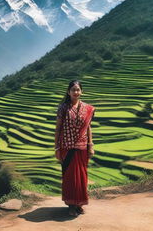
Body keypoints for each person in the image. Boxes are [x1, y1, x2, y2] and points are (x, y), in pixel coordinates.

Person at [54, 80, 95, 217]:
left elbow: (88, 128)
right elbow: (58, 129)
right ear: (68, 92)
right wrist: (57, 148)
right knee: (70, 178)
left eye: (78, 89)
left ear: (81, 91)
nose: (76, 92)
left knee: (82, 177)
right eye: (73, 90)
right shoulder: (63, 108)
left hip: (82, 148)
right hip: (67, 148)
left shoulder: (87, 108)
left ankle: (79, 204)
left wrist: (90, 145)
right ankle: (71, 205)